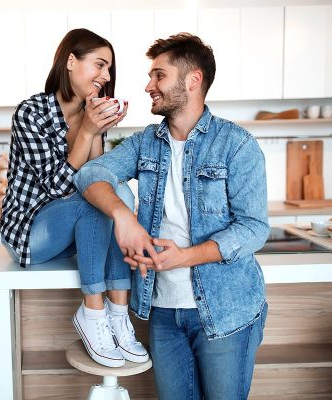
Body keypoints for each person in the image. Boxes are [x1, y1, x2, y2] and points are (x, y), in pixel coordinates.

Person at [74, 33, 269, 398]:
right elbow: (89, 174)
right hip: (162, 311)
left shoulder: (236, 144)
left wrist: (185, 257)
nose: (149, 85)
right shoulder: (146, 142)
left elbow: (255, 228)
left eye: (158, 75)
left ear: (192, 80)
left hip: (226, 311)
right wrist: (123, 217)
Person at [0, 28, 148, 368]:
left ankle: (118, 314)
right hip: (30, 232)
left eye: (109, 69)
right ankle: (92, 313)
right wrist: (87, 129)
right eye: (99, 64)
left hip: (71, 232)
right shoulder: (30, 113)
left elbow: (94, 179)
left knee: (114, 193)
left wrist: (95, 127)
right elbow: (55, 186)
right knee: (97, 203)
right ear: (70, 61)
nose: (106, 76)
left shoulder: (90, 112)